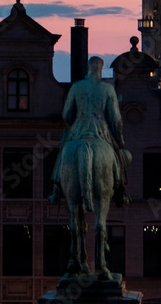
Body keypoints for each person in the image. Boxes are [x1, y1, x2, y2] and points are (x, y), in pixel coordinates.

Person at [49, 56, 130, 206]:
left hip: (78, 128)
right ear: (100, 69)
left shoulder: (77, 87)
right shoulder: (108, 89)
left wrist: (73, 121)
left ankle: (56, 188)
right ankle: (120, 188)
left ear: (88, 68)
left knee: (63, 152)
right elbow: (116, 119)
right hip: (101, 130)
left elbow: (66, 113)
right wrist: (119, 138)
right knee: (118, 154)